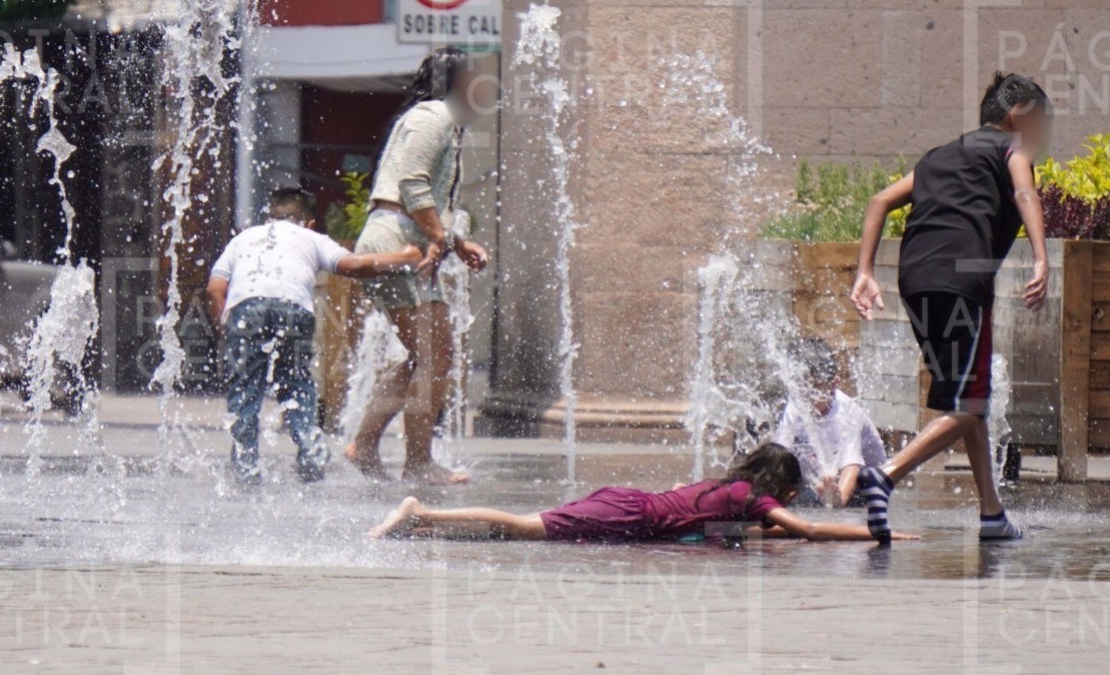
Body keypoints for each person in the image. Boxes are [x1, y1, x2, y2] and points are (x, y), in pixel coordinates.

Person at [849, 72, 1052, 543]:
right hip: (962, 280)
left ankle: (991, 514)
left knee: (967, 400)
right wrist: (1042, 259)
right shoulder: (1010, 148)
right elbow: (1026, 194)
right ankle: (886, 475)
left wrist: (865, 271)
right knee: (971, 402)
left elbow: (879, 200)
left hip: (916, 279)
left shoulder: (939, 156)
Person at [344, 46, 493, 485]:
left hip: (399, 234)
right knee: (438, 353)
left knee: (425, 354)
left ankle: (365, 445)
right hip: (396, 238)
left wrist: (455, 240)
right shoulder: (434, 116)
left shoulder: (436, 119)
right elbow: (412, 183)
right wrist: (439, 236)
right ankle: (418, 462)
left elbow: (427, 195)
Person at [206, 188, 423, 484]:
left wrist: (228, 327)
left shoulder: (242, 239)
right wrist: (404, 257)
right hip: (293, 307)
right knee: (296, 385)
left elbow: (215, 289)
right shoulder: (312, 238)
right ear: (308, 222)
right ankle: (311, 458)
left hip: (247, 309)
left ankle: (246, 468)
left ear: (268, 216)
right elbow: (354, 266)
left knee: (245, 390)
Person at [369, 443, 917, 542]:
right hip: (624, 517)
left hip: (627, 502)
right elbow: (814, 531)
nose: (792, 504)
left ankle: (423, 523)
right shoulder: (756, 498)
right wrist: (877, 532)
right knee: (522, 525)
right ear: (783, 487)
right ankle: (424, 510)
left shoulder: (732, 489)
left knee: (523, 527)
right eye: (792, 493)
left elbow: (746, 530)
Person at [774, 338, 886, 508]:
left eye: (816, 387)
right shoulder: (796, 403)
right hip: (823, 483)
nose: (808, 395)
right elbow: (779, 455)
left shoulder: (848, 412)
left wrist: (837, 498)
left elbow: (851, 466)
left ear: (834, 384)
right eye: (803, 386)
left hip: (865, 487)